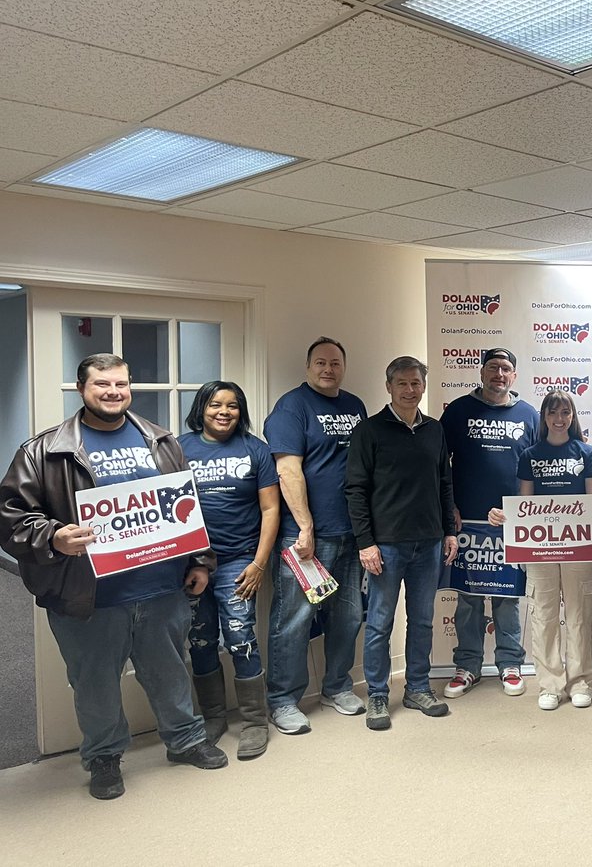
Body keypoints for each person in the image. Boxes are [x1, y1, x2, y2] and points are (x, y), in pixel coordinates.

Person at [0, 353, 227, 800]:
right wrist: (53, 536)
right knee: (96, 683)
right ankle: (104, 757)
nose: (113, 392)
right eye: (102, 384)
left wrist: (201, 561)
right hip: (91, 596)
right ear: (82, 388)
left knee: (169, 672)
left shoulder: (160, 441)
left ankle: (184, 740)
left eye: (121, 384)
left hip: (163, 589)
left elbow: (186, 505)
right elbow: (9, 518)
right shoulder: (43, 451)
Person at [345, 356, 458, 730]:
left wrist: (449, 531)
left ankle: (418, 687)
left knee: (423, 621)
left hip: (428, 543)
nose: (411, 390)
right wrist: (366, 542)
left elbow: (444, 483)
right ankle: (378, 694)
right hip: (386, 545)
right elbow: (356, 490)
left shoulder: (435, 430)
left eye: (416, 383)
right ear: (389, 386)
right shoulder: (369, 431)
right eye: (403, 384)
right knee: (379, 622)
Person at [263, 336, 368, 734]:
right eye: (320, 362)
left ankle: (337, 685)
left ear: (344, 367)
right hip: (305, 539)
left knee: (348, 614)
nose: (328, 369)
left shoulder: (354, 406)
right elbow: (288, 471)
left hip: (351, 534)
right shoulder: (292, 407)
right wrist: (305, 526)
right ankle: (282, 699)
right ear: (308, 367)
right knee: (294, 619)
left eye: (335, 363)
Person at [488, 390, 592, 711]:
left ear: (572, 417)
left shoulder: (586, 453)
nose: (559, 419)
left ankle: (581, 682)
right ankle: (549, 683)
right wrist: (503, 515)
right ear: (544, 417)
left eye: (565, 413)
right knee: (544, 615)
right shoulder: (530, 455)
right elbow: (524, 503)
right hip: (539, 549)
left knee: (578, 616)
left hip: (578, 545)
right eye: (553, 413)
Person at [180, 380, 280, 760]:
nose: (224, 412)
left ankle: (255, 721)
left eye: (233, 406)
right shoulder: (180, 447)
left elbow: (271, 510)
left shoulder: (255, 449)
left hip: (240, 560)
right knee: (201, 639)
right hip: (192, 563)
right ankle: (213, 717)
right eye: (215, 405)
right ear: (201, 408)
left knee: (240, 637)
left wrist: (258, 563)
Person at [440, 347, 538, 699]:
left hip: (512, 524)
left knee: (507, 599)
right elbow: (440, 464)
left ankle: (510, 664)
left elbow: (538, 467)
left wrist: (527, 512)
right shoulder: (458, 411)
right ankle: (467, 666)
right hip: (468, 522)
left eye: (506, 368)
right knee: (467, 599)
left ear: (514, 376)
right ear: (481, 373)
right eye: (493, 367)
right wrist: (448, 505)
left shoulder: (530, 414)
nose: (499, 374)